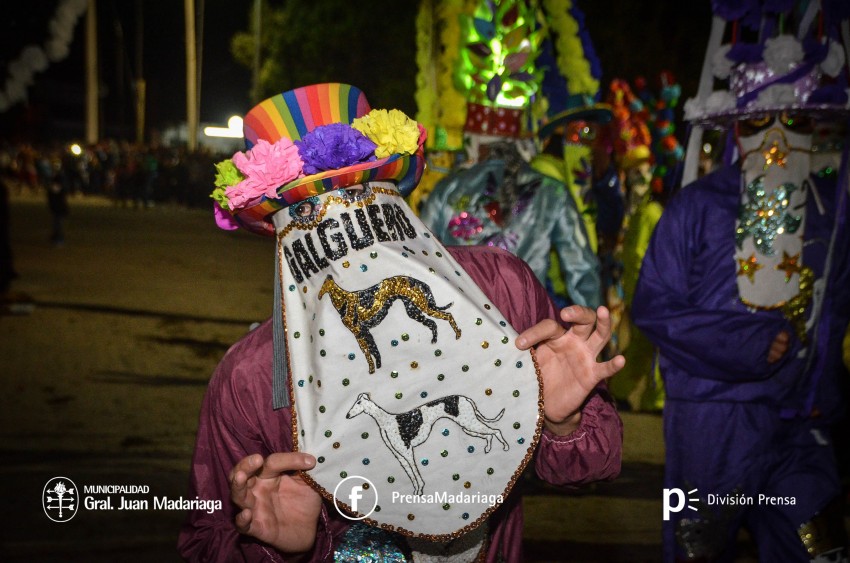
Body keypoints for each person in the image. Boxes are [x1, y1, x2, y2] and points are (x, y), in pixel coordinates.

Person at [179, 83, 624, 561]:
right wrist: (275, 548)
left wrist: (562, 422)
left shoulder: (500, 290)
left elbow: (590, 463)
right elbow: (208, 538)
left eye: (359, 192)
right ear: (277, 231)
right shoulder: (251, 377)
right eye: (309, 208)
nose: (344, 229)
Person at [633, 5, 850, 561]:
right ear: (736, 125)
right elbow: (655, 308)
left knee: (819, 546)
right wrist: (748, 342)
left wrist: (822, 389)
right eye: (760, 122)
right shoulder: (697, 207)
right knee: (697, 549)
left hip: (799, 422)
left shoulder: (827, 210)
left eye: (794, 121)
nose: (777, 138)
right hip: (712, 419)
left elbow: (834, 304)